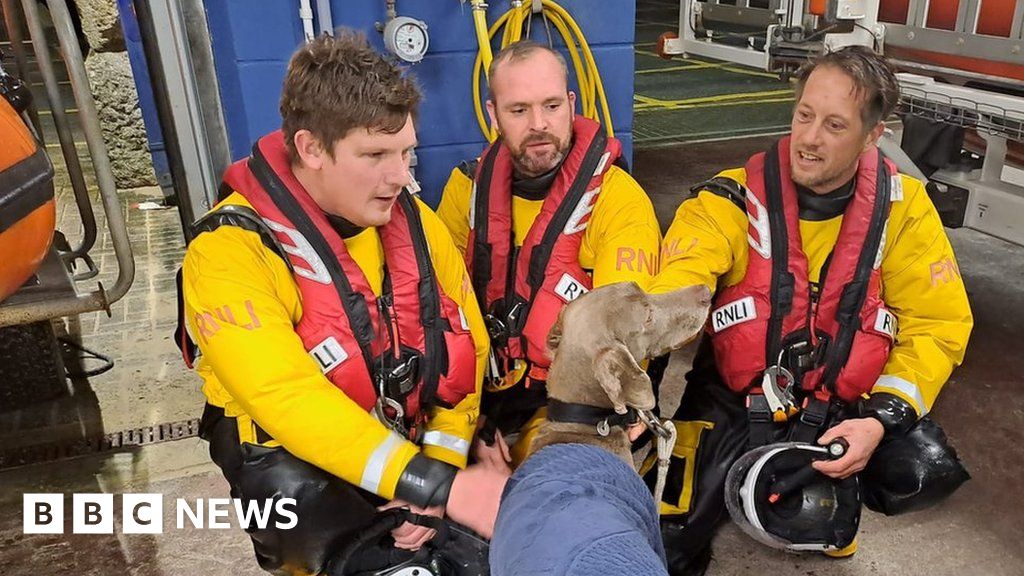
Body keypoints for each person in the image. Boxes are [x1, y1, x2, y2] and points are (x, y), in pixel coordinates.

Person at [177, 32, 507, 576]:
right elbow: (283, 395)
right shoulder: (227, 253)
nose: (401, 176)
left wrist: (439, 467)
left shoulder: (418, 226)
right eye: (375, 155)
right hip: (309, 480)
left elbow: (465, 344)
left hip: (412, 454)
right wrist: (430, 483)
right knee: (288, 488)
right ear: (310, 149)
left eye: (406, 153)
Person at [649, 46, 973, 574]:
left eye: (835, 125)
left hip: (841, 409)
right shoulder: (727, 201)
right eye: (804, 115)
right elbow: (671, 291)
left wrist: (880, 420)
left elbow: (938, 325)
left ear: (873, 136)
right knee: (664, 536)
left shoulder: (904, 209)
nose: (809, 138)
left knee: (910, 475)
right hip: (734, 400)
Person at [437, 40, 662, 467]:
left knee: (544, 483)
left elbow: (622, 329)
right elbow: (439, 308)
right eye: (519, 110)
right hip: (484, 387)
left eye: (552, 106)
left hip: (573, 395)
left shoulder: (618, 200)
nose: (539, 124)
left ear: (571, 104)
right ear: (493, 113)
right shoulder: (465, 189)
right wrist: (469, 426)